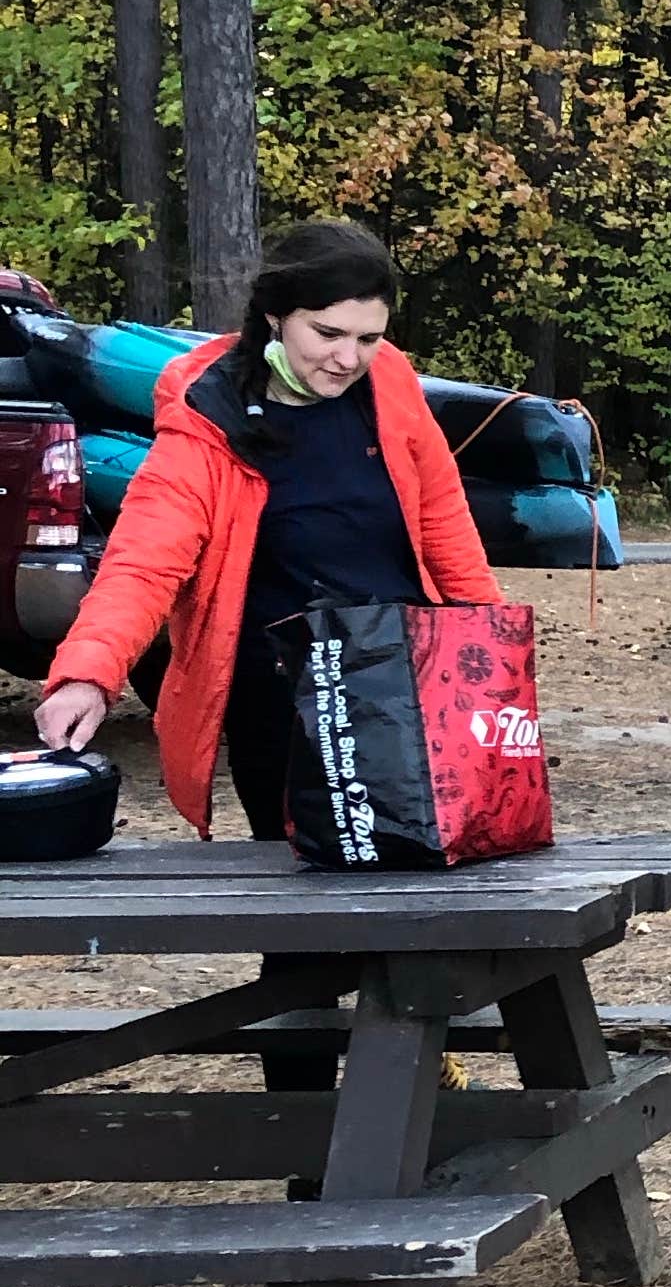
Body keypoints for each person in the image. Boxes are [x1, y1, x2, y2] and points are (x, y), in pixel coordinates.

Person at [34, 219, 501, 839]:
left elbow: (444, 526)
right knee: (307, 912)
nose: (348, 358)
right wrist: (89, 675)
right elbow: (143, 562)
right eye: (328, 333)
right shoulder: (209, 416)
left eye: (368, 338)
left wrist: (495, 659)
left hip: (409, 685)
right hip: (285, 706)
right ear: (277, 315)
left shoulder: (390, 383)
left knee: (428, 900)